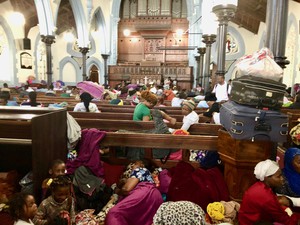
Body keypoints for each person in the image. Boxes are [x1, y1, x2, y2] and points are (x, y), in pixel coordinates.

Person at [238, 159, 300, 225]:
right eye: (278, 177)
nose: (282, 179)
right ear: (267, 178)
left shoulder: (258, 186)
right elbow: (286, 220)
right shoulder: (266, 197)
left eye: (281, 175)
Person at [105, 159, 163, 225]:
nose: (132, 166)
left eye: (135, 164)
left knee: (114, 213)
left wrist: (117, 191)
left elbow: (126, 189)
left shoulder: (140, 170)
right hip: (156, 197)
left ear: (141, 164)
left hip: (144, 193)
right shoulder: (149, 176)